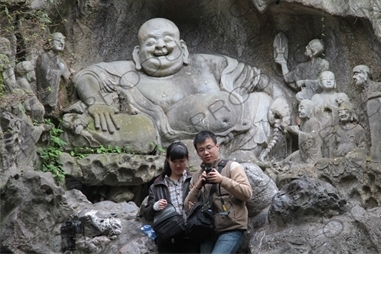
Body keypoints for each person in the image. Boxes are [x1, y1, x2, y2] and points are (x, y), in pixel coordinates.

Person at [72, 18, 292, 161]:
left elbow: (258, 78)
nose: (160, 46)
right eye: (150, 43)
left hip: (235, 139)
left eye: (167, 40)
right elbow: (86, 75)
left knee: (262, 101)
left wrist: (280, 98)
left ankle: (245, 158)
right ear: (137, 55)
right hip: (175, 145)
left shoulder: (205, 63)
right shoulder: (129, 73)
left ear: (183, 48)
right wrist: (96, 102)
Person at [184, 130, 252, 254]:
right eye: (201, 150)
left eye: (209, 147)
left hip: (231, 228)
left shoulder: (232, 167)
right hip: (207, 231)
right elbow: (188, 208)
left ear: (217, 146)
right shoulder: (196, 176)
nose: (206, 152)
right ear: (198, 153)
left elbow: (247, 194)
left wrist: (222, 180)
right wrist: (198, 186)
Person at [144, 142, 199, 254]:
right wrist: (155, 207)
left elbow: (205, 204)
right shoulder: (157, 185)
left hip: (191, 236)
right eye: (174, 161)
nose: (178, 165)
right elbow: (147, 214)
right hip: (168, 237)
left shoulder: (194, 180)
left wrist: (197, 206)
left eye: (181, 161)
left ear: (187, 159)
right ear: (167, 159)